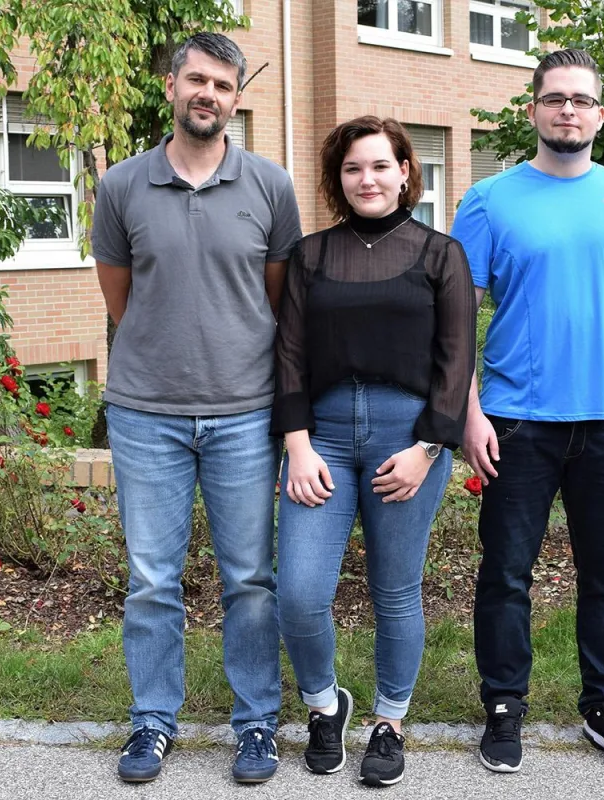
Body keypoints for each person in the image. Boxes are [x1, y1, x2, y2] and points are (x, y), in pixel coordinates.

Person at [452, 49, 604, 774]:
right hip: (516, 422)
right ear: (532, 110)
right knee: (506, 574)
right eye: (555, 99)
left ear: (600, 115)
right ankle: (503, 706)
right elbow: (458, 313)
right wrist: (467, 412)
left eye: (582, 100)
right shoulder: (489, 201)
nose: (568, 111)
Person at [90, 32, 302, 785]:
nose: (209, 94)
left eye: (224, 84)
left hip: (245, 411)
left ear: (236, 99)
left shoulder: (270, 186)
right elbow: (121, 298)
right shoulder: (120, 186)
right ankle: (151, 721)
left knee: (250, 577)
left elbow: (274, 300)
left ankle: (255, 726)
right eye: (197, 80)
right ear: (172, 87)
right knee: (152, 578)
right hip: (147, 412)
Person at [271, 116, 476, 787]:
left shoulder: (440, 254)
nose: (368, 179)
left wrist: (426, 449)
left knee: (394, 592)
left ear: (405, 173)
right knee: (299, 593)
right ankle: (325, 706)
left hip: (407, 439)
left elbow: (456, 359)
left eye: (381, 166)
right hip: (322, 439)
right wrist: (297, 445)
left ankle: (389, 722)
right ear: (338, 179)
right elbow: (291, 354)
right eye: (354, 168)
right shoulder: (311, 256)